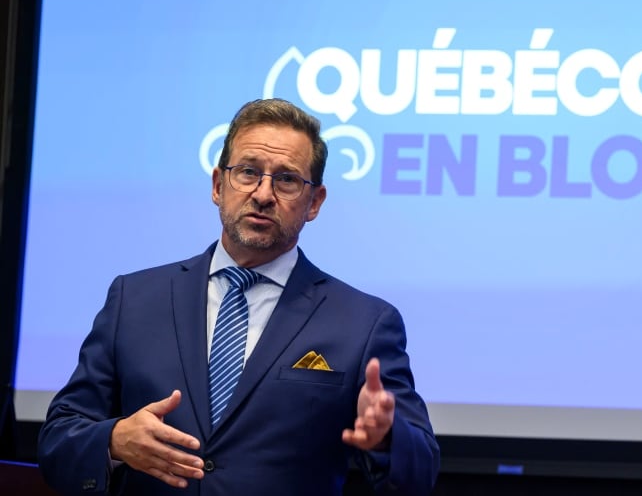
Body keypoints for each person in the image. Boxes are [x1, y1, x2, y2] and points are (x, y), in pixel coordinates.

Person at [37, 98, 440, 495]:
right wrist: (114, 440)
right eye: (248, 172)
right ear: (218, 185)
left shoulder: (363, 323)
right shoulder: (135, 299)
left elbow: (422, 470)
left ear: (314, 202)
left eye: (286, 179)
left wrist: (387, 438)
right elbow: (59, 439)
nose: (264, 194)